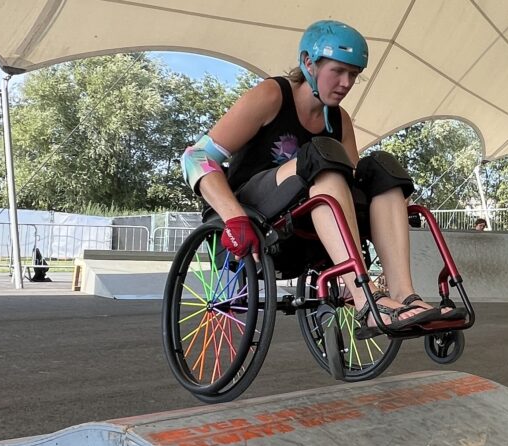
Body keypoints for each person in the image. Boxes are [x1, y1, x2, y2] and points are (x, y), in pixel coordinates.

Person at [181, 20, 455, 338]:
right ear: (309, 62)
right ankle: (366, 299)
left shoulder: (340, 120)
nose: (346, 83)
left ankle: (405, 296)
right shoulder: (273, 95)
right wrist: (234, 217)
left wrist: (391, 202)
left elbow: (354, 189)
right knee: (322, 154)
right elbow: (195, 158)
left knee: (381, 167)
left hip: (307, 225)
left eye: (353, 74)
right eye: (338, 71)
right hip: (254, 210)